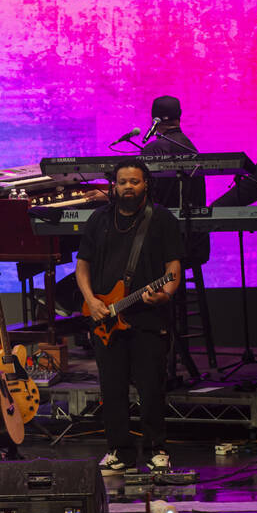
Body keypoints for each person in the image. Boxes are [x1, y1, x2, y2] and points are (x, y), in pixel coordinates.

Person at [75, 160, 184, 475]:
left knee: (151, 388)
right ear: (114, 185)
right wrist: (91, 300)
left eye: (134, 182)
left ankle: (156, 449)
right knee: (112, 389)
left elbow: (173, 270)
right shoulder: (99, 220)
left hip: (148, 319)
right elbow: (82, 266)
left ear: (145, 184)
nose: (128, 187)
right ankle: (119, 452)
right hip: (106, 319)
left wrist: (165, 294)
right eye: (122, 182)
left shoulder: (161, 220)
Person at [139, 95, 208, 266]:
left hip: (164, 243)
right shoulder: (191, 147)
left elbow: (145, 194)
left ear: (154, 119)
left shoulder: (153, 148)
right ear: (180, 115)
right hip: (194, 242)